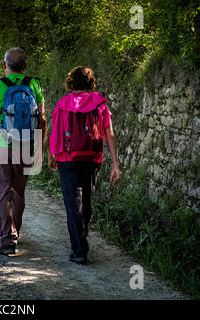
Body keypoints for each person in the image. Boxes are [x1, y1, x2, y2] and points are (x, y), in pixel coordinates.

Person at [0, 48, 47, 255]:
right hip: (25, 146)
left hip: (0, 147)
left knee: (1, 192)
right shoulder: (33, 84)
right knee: (17, 191)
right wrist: (40, 150)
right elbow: (42, 120)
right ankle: (14, 231)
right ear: (25, 66)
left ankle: (7, 239)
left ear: (4, 65)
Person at [48, 66, 120, 265]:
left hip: (67, 158)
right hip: (91, 158)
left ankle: (79, 250)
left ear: (71, 82)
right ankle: (81, 240)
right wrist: (115, 165)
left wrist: (51, 155)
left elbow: (56, 132)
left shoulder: (63, 103)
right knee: (85, 202)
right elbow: (109, 134)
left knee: (73, 204)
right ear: (90, 82)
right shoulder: (100, 103)